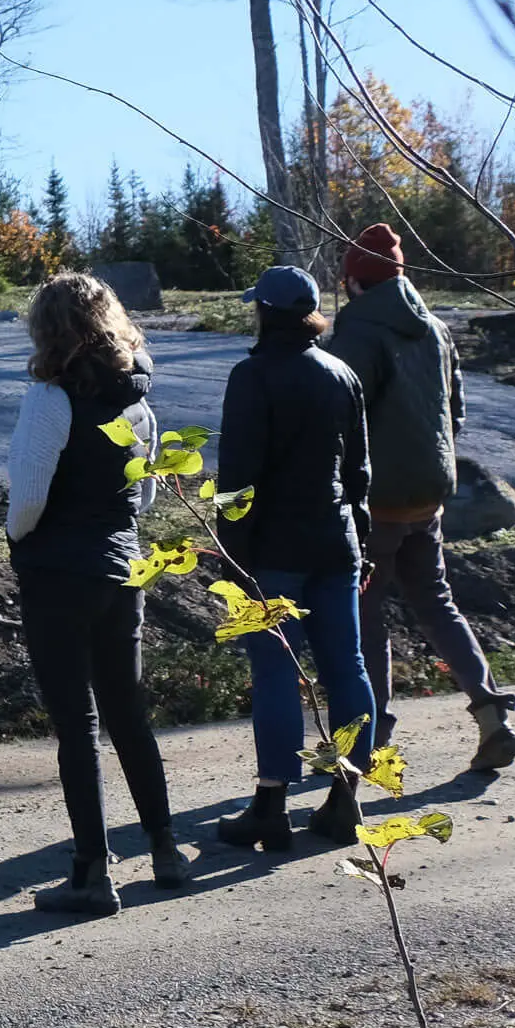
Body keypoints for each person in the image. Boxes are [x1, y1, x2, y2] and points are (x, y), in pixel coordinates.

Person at [5, 273, 185, 916]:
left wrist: (16, 539)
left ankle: (91, 872)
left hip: (58, 573)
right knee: (127, 711)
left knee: (77, 726)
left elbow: (28, 498)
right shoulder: (140, 402)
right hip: (121, 568)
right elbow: (145, 497)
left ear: (47, 329)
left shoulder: (48, 400)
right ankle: (165, 848)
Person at [325, 223, 515, 774]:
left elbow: (340, 418)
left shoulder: (357, 334)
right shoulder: (435, 328)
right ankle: (491, 717)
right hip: (429, 495)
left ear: (354, 282)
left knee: (367, 617)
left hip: (376, 501)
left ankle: (372, 739)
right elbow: (454, 411)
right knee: (437, 604)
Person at [213, 264, 378, 853]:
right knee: (347, 666)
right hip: (338, 543)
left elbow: (237, 477)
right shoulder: (342, 374)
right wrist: (363, 542)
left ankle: (270, 804)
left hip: (276, 551)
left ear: (264, 311)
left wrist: (232, 553)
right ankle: (346, 797)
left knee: (277, 671)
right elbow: (359, 473)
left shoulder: (252, 376)